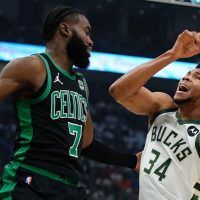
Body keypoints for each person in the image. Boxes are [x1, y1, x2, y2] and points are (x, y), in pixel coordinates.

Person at [0, 6, 140, 200]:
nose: (91, 41)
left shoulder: (81, 83)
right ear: (65, 29)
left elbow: (86, 144)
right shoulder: (32, 66)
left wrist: (131, 161)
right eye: (87, 32)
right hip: (30, 181)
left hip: (69, 188)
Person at [109, 30, 200, 200]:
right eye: (186, 75)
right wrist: (172, 54)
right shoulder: (162, 106)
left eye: (197, 77)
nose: (185, 78)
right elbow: (118, 92)